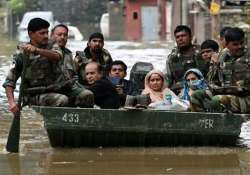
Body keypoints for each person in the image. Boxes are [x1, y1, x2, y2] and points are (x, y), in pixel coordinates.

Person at [3, 18, 68, 114]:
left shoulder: (52, 44)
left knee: (85, 95)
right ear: (31, 34)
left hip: (57, 89)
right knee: (62, 100)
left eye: (47, 32)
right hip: (34, 95)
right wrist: (12, 103)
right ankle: (54, 125)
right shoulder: (21, 54)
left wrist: (36, 50)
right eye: (42, 33)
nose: (46, 36)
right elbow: (9, 81)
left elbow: (57, 56)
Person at [191, 27, 250, 113]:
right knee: (196, 96)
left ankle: (222, 125)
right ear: (226, 44)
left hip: (246, 98)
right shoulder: (223, 55)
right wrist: (214, 65)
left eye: (241, 43)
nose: (240, 47)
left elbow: (243, 88)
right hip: (227, 93)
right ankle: (202, 124)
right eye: (235, 44)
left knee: (218, 100)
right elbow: (211, 82)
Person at [50, 24, 94, 107]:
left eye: (65, 35)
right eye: (59, 35)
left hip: (68, 88)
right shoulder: (46, 51)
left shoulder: (68, 53)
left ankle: (85, 118)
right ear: (52, 36)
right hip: (51, 90)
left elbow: (73, 76)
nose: (62, 37)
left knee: (88, 94)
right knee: (63, 99)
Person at [165, 25, 207, 93]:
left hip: (202, 90)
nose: (180, 39)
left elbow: (210, 76)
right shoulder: (172, 58)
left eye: (183, 36)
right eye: (177, 37)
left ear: (190, 37)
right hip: (180, 92)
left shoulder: (202, 53)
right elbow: (169, 80)